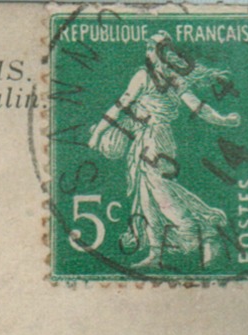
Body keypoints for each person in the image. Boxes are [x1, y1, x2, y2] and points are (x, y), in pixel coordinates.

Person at [87, 31, 240, 269]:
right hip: (150, 140)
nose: (147, 52)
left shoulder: (150, 76)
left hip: (154, 141)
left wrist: (97, 133)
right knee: (147, 200)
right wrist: (223, 119)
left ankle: (208, 232)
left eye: (151, 48)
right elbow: (197, 107)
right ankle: (155, 255)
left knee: (163, 196)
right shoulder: (169, 77)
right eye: (148, 47)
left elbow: (121, 106)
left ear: (160, 52)